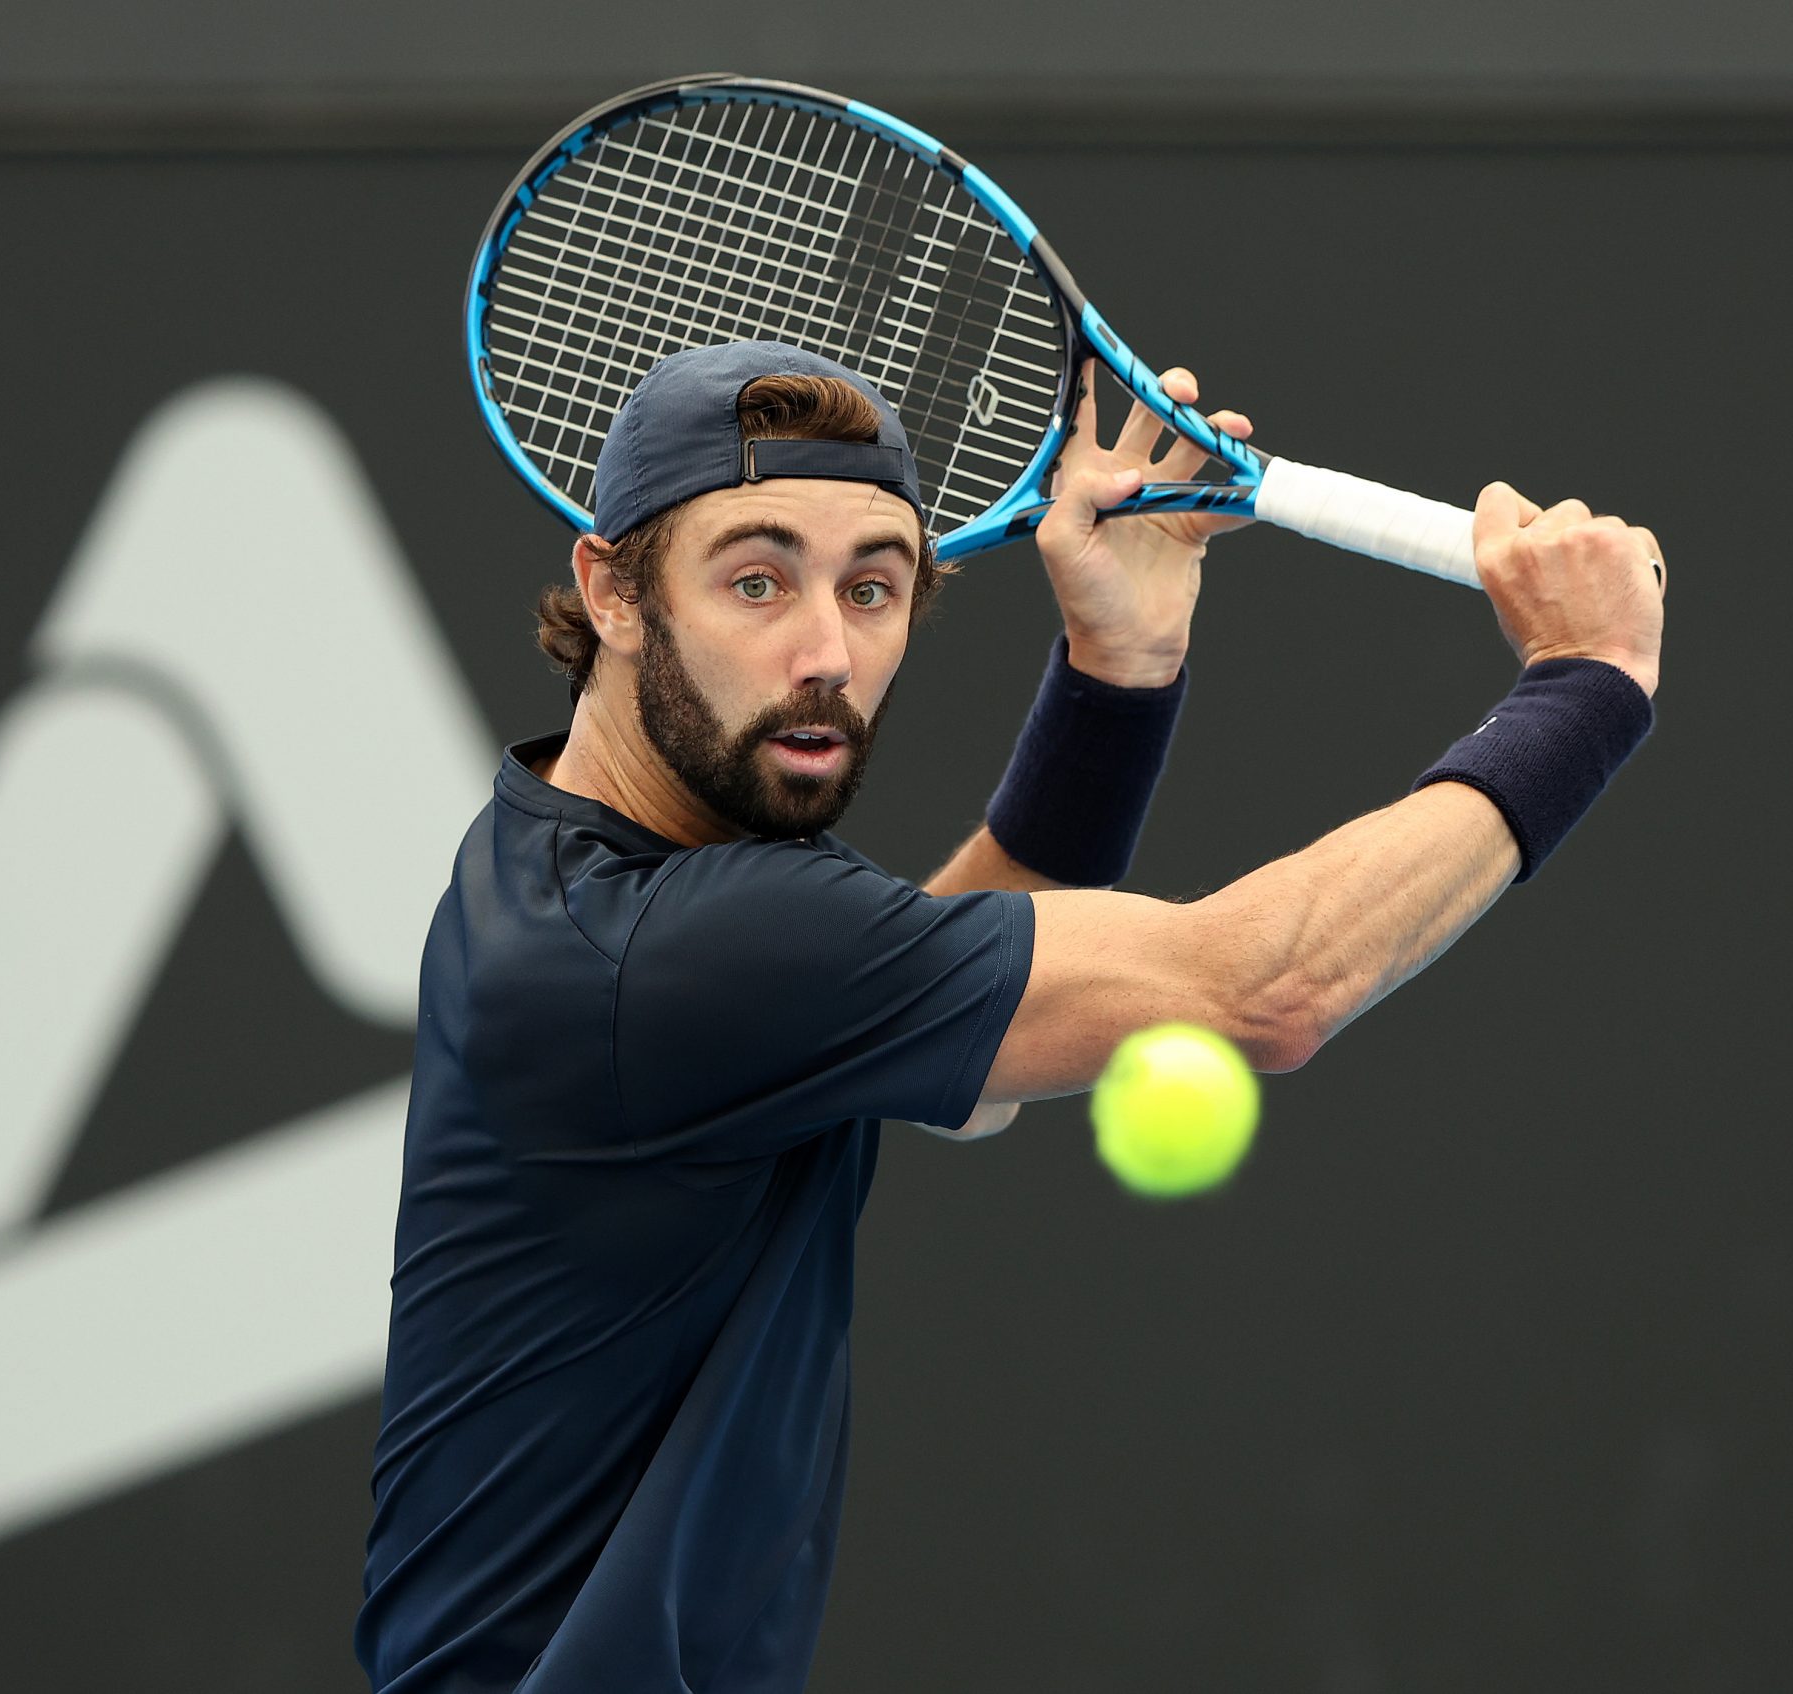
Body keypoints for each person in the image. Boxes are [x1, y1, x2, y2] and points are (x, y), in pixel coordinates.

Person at [357, 341, 1663, 1692]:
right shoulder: (679, 946)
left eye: (874, 587)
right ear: (612, 591)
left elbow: (945, 1039)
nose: (827, 653)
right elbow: (1265, 991)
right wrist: (1587, 681)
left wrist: (1119, 668)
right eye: (757, 580)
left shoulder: (579, 864)